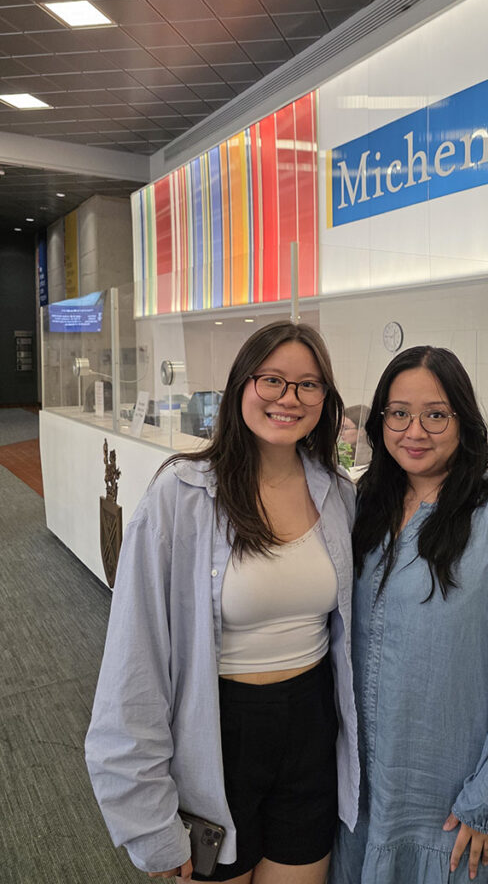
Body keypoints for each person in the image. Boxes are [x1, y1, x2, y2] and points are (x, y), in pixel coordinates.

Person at [86, 321, 359, 884]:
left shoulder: (338, 493)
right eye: (273, 380)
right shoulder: (180, 495)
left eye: (309, 385)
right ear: (241, 386)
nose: (289, 398)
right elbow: (131, 665)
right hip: (217, 732)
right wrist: (149, 823)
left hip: (311, 725)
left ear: (325, 400)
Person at [331, 346, 488, 884]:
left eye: (435, 414)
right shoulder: (360, 508)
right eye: (398, 413)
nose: (414, 430)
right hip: (362, 796)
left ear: (463, 419)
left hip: (453, 807)